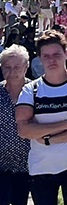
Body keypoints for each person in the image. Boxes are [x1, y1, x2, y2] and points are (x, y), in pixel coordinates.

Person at [16, 31, 67, 205]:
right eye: (46, 56)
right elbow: (24, 130)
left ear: (66, 54)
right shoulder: (31, 90)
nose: (52, 60)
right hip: (41, 167)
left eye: (56, 55)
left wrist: (48, 140)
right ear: (39, 58)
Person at [0, 45, 31, 205]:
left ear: (26, 66)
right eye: (7, 67)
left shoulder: (36, 91)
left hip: (29, 166)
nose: (12, 72)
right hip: (1, 166)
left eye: (17, 67)